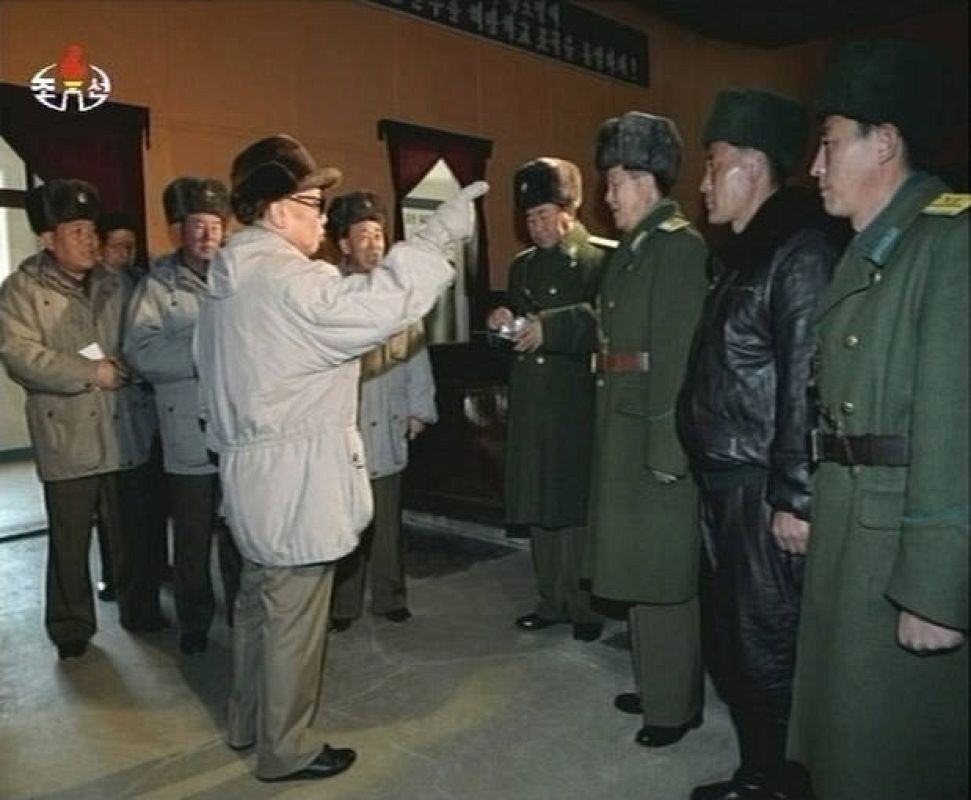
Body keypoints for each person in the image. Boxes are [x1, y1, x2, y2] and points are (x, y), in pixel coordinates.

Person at [194, 133, 487, 782]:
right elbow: (379, 307)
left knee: (256, 608)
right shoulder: (284, 278)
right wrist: (437, 239)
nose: (323, 214)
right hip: (293, 479)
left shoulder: (226, 282)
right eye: (310, 201)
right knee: (295, 623)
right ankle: (287, 749)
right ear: (275, 210)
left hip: (247, 474)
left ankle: (248, 725)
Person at [786, 39, 969, 800]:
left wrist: (933, 587)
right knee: (850, 747)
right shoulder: (873, 250)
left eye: (828, 145)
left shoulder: (949, 240)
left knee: (892, 752)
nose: (816, 168)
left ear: (882, 142)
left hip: (898, 544)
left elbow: (955, 423)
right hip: (853, 526)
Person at [677, 88, 843, 800]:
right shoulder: (743, 256)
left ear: (751, 166)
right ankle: (757, 773)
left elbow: (806, 384)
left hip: (758, 489)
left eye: (712, 165)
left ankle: (781, 785)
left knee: (767, 646)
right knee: (737, 643)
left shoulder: (798, 252)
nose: (704, 182)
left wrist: (793, 496)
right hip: (723, 484)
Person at [542, 112, 709, 747]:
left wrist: (668, 451)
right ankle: (656, 681)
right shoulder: (638, 250)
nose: (606, 197)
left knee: (664, 577)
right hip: (624, 426)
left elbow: (675, 356)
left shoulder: (678, 248)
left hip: (653, 437)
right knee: (638, 568)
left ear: (646, 179)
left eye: (614, 182)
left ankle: (674, 706)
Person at [0, 179, 137, 658]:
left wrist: (129, 364)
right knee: (69, 538)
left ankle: (138, 609)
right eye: (77, 230)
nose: (90, 240)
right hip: (68, 431)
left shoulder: (113, 283)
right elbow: (20, 356)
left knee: (129, 530)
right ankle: (71, 626)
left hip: (121, 429)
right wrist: (90, 371)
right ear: (48, 239)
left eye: (92, 230)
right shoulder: (21, 289)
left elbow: (136, 340)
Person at [486, 157, 605, 642]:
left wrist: (550, 329)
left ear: (569, 209)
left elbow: (607, 322)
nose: (535, 227)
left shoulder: (600, 260)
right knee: (538, 504)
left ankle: (583, 604)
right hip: (532, 401)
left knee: (573, 505)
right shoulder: (523, 266)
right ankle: (550, 599)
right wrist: (501, 325)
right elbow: (517, 329)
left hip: (575, 402)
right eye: (528, 218)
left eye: (543, 215)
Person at [124, 177, 241, 654]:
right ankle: (195, 620)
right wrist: (203, 348)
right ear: (179, 230)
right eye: (197, 225)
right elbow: (141, 350)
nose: (207, 235)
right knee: (192, 536)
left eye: (215, 225)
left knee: (238, 531)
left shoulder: (239, 276)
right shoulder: (158, 284)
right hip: (186, 425)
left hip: (237, 425)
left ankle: (242, 612)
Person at [325, 191, 437, 631]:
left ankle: (391, 595)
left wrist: (417, 409)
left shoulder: (398, 293)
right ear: (344, 243)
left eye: (379, 235)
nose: (374, 244)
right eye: (363, 236)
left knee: (388, 519)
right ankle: (343, 603)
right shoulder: (327, 292)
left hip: (388, 415)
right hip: (343, 423)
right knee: (346, 520)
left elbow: (416, 355)